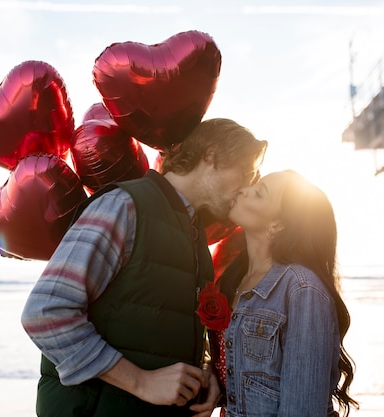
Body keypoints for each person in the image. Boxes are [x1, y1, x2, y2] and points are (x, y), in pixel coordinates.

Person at [21, 118, 267, 417]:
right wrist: (141, 381)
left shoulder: (192, 232)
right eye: (245, 173)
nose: (246, 188)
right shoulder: (123, 205)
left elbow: (154, 327)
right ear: (211, 155)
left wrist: (204, 372)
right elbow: (45, 313)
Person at [207, 170, 358, 417]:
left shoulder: (302, 290)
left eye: (259, 193)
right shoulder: (234, 280)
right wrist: (213, 377)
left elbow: (302, 410)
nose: (244, 190)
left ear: (278, 225)